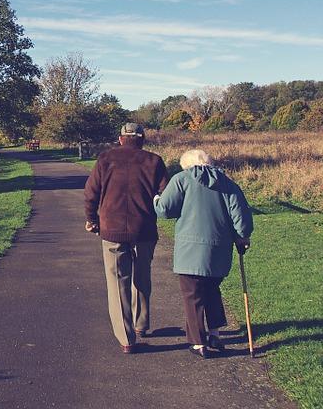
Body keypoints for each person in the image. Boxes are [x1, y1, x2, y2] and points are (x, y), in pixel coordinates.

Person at [154, 149, 253, 358]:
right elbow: (241, 218)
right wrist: (242, 237)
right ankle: (215, 334)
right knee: (211, 290)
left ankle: (198, 343)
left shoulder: (181, 179)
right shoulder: (227, 183)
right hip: (219, 250)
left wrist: (156, 199)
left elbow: (164, 210)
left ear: (187, 165)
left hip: (190, 251)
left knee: (192, 295)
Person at [83, 122, 168, 354]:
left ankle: (127, 339)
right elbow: (165, 195)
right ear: (142, 139)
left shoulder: (105, 159)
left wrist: (92, 219)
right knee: (142, 277)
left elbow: (91, 192)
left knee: (118, 282)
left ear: (120, 139)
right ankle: (141, 325)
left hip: (112, 230)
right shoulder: (154, 161)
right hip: (145, 230)